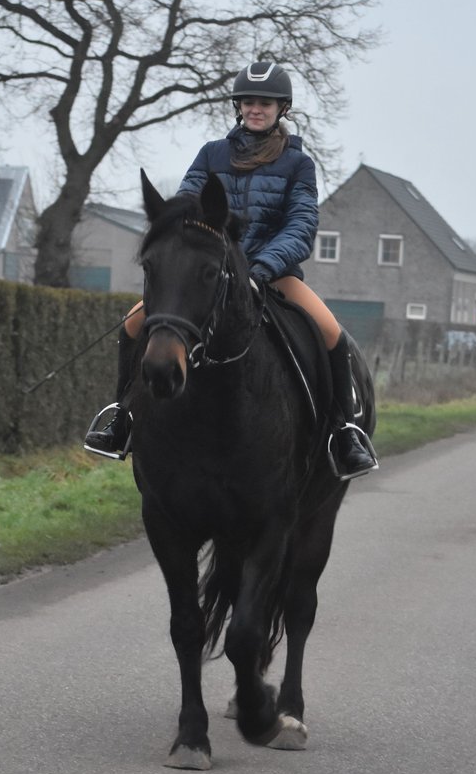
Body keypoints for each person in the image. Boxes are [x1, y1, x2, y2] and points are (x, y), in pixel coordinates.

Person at [85, 61, 377, 478]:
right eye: (249, 102)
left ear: (282, 109)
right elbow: (188, 206)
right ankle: (121, 417)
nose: (256, 109)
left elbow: (301, 225)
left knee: (330, 332)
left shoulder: (299, 165)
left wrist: (261, 266)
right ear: (239, 106)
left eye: (265, 103)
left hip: (272, 274)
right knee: (133, 324)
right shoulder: (211, 154)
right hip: (211, 271)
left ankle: (342, 432)